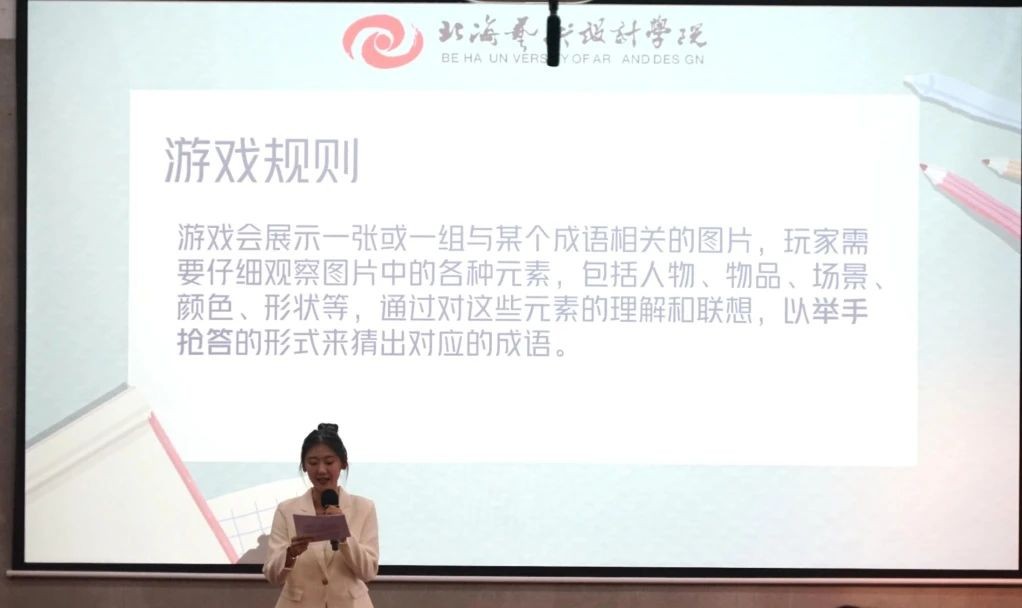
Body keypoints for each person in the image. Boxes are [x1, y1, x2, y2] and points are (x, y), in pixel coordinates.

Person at [264, 423, 379, 608]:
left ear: (343, 463)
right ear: (304, 466)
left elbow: (368, 572)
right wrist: (290, 554)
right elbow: (272, 576)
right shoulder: (286, 510)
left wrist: (344, 536)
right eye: (313, 462)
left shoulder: (364, 507)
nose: (321, 470)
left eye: (329, 462)